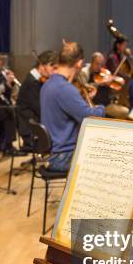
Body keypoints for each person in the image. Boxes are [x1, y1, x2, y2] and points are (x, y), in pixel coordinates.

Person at [40, 42, 105, 172]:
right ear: (79, 63)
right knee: (109, 160)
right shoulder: (65, 88)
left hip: (52, 154)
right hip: (63, 157)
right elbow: (91, 118)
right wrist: (102, 108)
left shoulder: (48, 84)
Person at [16, 50, 58, 147]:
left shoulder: (37, 80)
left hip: (37, 123)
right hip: (32, 129)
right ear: (42, 65)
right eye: (53, 67)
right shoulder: (32, 83)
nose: (54, 71)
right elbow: (41, 109)